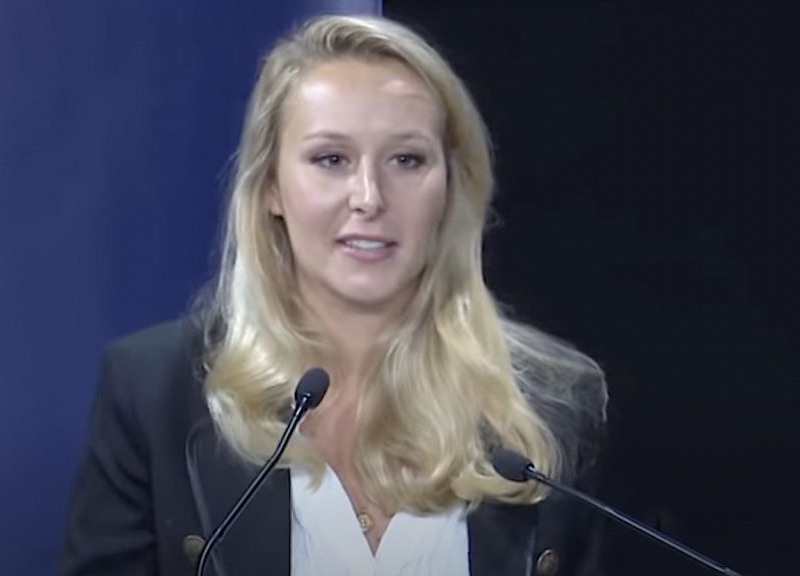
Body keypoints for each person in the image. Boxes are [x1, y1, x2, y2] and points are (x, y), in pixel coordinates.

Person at [59, 14, 608, 576]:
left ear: (451, 185)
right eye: (331, 159)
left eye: (407, 160)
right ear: (271, 187)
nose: (369, 197)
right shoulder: (155, 395)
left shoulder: (552, 404)